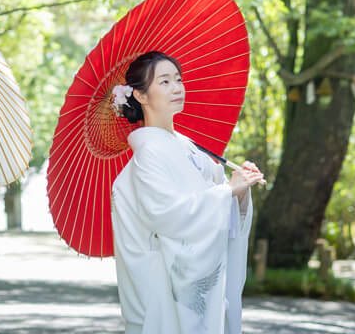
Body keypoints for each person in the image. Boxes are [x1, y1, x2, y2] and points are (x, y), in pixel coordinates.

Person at [110, 51, 265, 334]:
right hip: (165, 287)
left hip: (197, 275)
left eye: (178, 80)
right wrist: (226, 192)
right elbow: (166, 216)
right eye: (165, 82)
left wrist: (239, 193)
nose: (177, 88)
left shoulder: (192, 149)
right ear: (141, 96)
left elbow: (218, 201)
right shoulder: (149, 152)